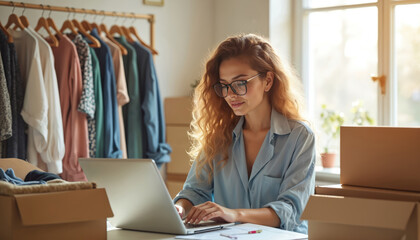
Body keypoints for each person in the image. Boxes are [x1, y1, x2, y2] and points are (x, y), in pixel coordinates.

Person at [173, 34, 315, 234]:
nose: (230, 94)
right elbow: (195, 191)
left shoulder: (299, 137)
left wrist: (235, 214)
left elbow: (290, 210)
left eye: (240, 83)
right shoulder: (219, 136)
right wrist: (178, 208)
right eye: (224, 85)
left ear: (268, 81)